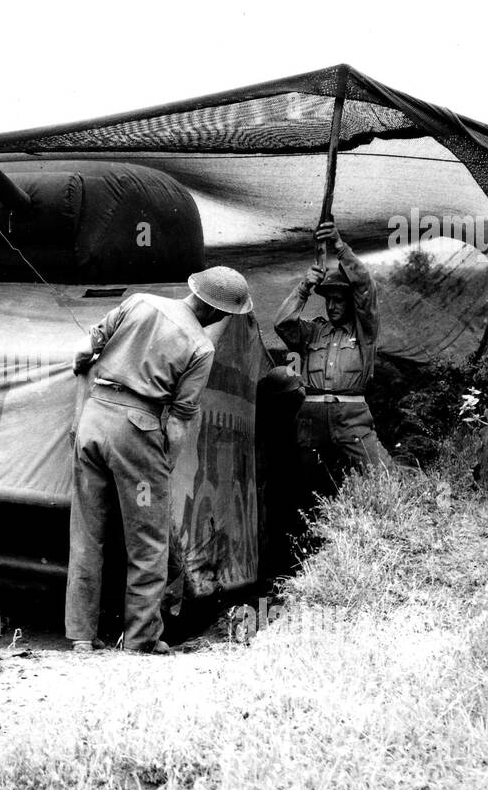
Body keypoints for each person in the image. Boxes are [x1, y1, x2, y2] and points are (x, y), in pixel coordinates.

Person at [65, 266, 253, 654]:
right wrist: (161, 470)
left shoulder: (138, 301)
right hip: (137, 436)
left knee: (86, 535)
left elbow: (85, 350)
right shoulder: (202, 347)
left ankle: (81, 636)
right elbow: (180, 421)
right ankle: (140, 640)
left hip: (93, 421)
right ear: (218, 312)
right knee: (148, 541)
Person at [274, 219, 392, 497]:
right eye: (329, 299)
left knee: (383, 477)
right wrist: (304, 287)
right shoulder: (313, 330)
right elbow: (282, 323)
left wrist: (339, 246)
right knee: (307, 488)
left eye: (340, 299)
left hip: (351, 419)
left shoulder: (364, 332)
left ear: (350, 302)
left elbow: (365, 288)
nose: (333, 305)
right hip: (310, 420)